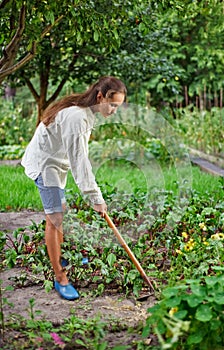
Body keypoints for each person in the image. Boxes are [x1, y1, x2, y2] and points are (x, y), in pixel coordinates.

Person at [21, 76, 127, 300]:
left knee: (59, 212)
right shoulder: (77, 117)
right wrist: (95, 197)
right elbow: (80, 162)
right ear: (100, 97)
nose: (114, 111)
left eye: (118, 106)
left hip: (56, 163)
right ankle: (60, 276)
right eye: (113, 105)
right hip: (46, 165)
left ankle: (61, 257)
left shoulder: (85, 112)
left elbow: (78, 156)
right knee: (54, 218)